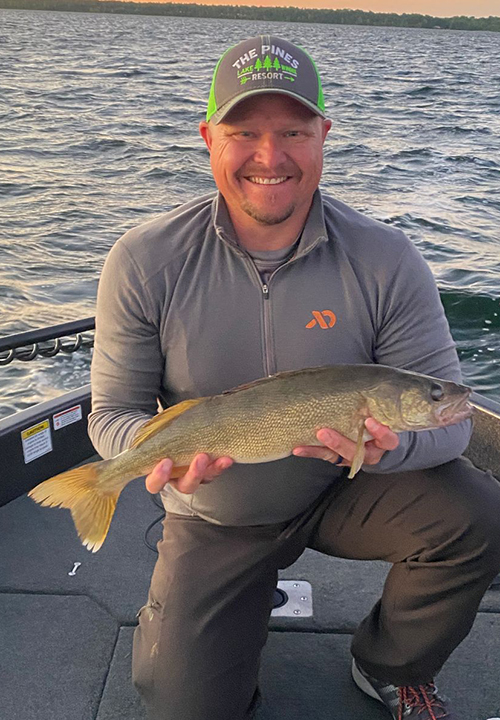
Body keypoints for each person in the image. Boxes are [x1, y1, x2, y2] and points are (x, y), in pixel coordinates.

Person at [88, 35, 500, 720]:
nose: (270, 156)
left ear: (324, 135)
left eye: (293, 131)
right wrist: (159, 456)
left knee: (481, 516)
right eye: (244, 131)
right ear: (208, 137)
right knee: (183, 706)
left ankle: (390, 664)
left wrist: (389, 447)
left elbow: (448, 420)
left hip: (348, 488)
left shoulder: (388, 258)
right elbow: (112, 416)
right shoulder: (143, 259)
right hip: (217, 513)